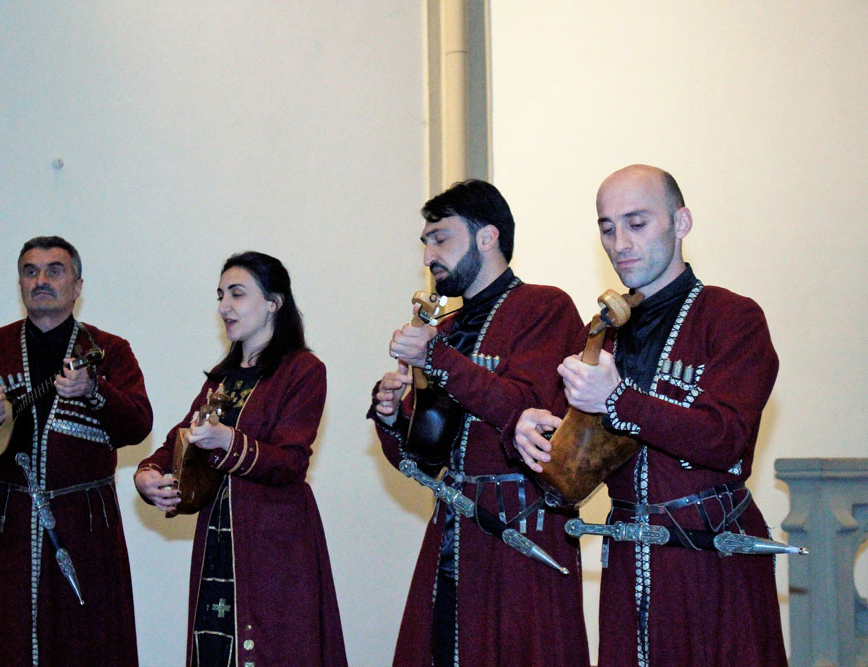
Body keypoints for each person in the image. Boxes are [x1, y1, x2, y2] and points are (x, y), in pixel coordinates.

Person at [515, 165, 786, 666]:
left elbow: (726, 437)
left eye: (637, 223)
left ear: (681, 223)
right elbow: (573, 469)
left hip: (711, 559)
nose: (620, 242)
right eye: (607, 227)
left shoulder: (732, 317)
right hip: (627, 559)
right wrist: (531, 431)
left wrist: (619, 399)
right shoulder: (604, 332)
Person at [370, 180, 590, 666]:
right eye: (425, 242)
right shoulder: (446, 328)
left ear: (487, 238)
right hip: (454, 528)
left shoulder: (544, 307)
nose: (428, 255)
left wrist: (439, 359)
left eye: (440, 238)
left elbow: (528, 409)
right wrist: (391, 418)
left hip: (522, 527)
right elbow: (425, 459)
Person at [0, 236, 153, 666]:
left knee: (88, 645)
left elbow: (139, 424)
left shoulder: (110, 351)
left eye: (55, 270)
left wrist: (95, 390)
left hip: (88, 529)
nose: (41, 280)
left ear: (77, 285)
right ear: (20, 284)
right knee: (5, 644)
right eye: (30, 271)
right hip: (8, 530)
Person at [135, 251, 347, 667]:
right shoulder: (221, 378)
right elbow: (180, 439)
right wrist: (149, 474)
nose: (223, 307)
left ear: (273, 302)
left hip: (276, 544)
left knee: (274, 649)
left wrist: (227, 442)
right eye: (220, 295)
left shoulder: (303, 371)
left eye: (236, 294)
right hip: (219, 538)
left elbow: (290, 462)